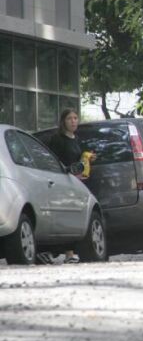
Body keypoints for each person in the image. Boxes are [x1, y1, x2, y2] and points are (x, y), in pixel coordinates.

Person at [46, 108, 94, 265]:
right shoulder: (57, 139)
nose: (73, 121)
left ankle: (70, 251)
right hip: (62, 181)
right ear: (63, 121)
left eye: (75, 118)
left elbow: (78, 159)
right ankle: (67, 253)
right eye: (69, 119)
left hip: (77, 181)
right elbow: (53, 161)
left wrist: (87, 159)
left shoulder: (76, 139)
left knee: (75, 215)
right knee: (63, 215)